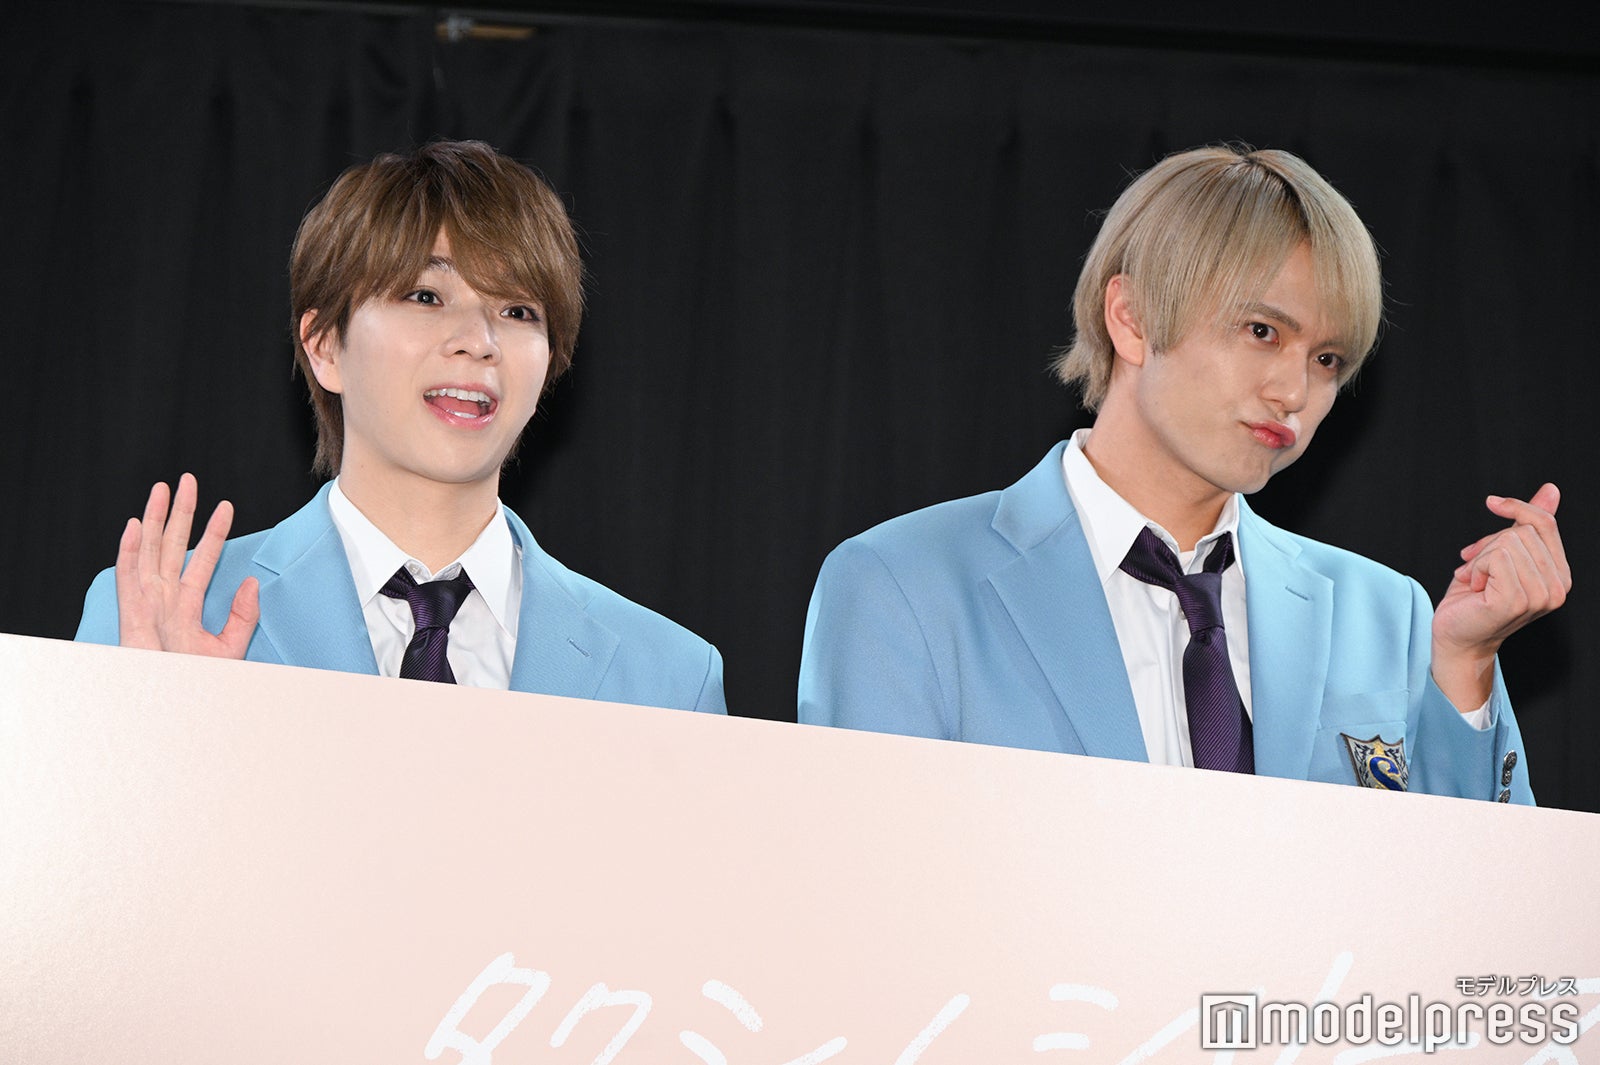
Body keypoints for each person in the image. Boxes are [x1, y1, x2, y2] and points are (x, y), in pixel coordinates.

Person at [797, 144, 1566, 801]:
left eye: (1328, 359)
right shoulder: (904, 586)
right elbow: (866, 888)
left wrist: (1464, 666)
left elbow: (1477, 904)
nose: (1295, 391)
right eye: (1262, 331)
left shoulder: (1389, 618)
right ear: (1130, 318)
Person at [77, 140, 726, 716]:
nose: (479, 340)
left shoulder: (670, 677)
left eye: (517, 310)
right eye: (426, 296)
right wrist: (165, 734)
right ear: (324, 345)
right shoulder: (154, 612)